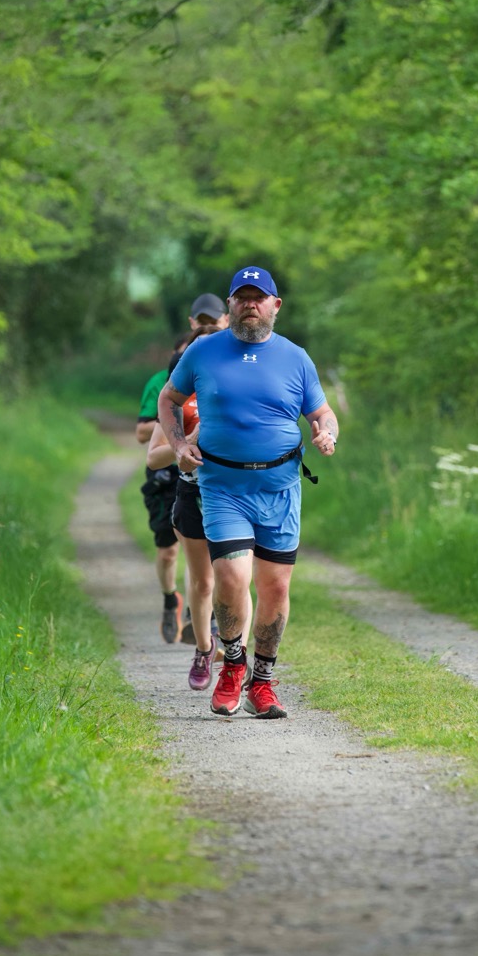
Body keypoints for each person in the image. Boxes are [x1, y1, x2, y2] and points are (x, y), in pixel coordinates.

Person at [158, 266, 338, 719]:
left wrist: (326, 432)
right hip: (223, 487)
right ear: (231, 304)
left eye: (259, 297)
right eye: (242, 297)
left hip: (279, 488)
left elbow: (322, 412)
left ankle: (262, 682)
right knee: (232, 578)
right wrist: (179, 446)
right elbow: (168, 400)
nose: (250, 304)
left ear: (276, 305)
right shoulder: (203, 351)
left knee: (275, 587)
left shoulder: (296, 357)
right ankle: (233, 665)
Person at [146, 324, 253, 690]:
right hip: (193, 493)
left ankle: (238, 655)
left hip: (239, 494)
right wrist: (184, 444)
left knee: (238, 578)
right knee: (203, 580)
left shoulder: (242, 385)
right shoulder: (178, 395)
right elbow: (154, 457)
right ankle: (204, 649)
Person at [137, 334, 191, 643]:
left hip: (202, 479)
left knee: (199, 550)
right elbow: (141, 433)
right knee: (168, 551)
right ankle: (171, 600)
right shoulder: (161, 382)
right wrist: (172, 424)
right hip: (165, 477)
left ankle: (200, 614)